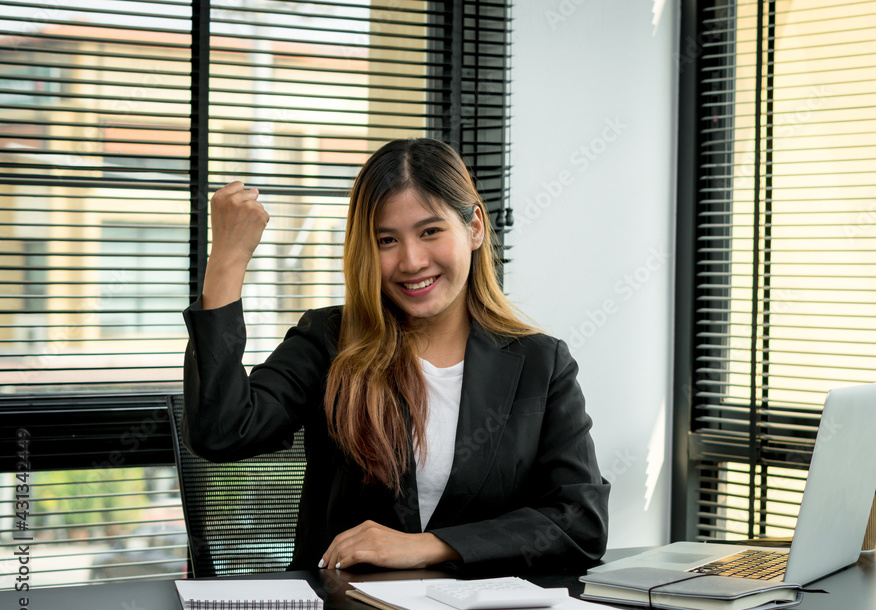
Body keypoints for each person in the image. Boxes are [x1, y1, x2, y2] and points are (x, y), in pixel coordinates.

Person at [182, 138, 609, 573]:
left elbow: (580, 521)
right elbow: (221, 430)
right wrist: (228, 260)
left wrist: (428, 546)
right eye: (386, 240)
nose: (410, 261)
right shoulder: (330, 341)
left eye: (430, 231)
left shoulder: (540, 363)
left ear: (474, 227)